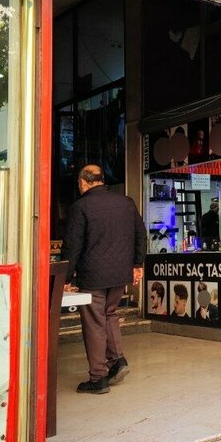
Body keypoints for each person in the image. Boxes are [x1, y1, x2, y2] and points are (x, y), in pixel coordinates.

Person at [61, 165, 147, 394]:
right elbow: (141, 233)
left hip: (93, 275)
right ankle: (117, 360)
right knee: (110, 315)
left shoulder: (81, 206)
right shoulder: (125, 202)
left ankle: (98, 377)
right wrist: (137, 264)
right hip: (120, 273)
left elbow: (73, 246)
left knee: (94, 324)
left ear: (83, 182)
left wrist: (65, 277)